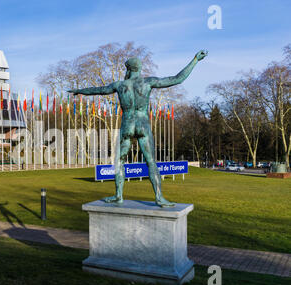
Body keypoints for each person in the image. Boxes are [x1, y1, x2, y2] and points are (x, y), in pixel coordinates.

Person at [69, 50, 208, 207]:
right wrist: (195, 59)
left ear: (128, 70)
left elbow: (98, 90)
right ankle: (159, 197)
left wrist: (79, 91)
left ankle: (119, 195)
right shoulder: (148, 82)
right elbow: (178, 79)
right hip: (142, 124)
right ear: (139, 69)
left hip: (127, 124)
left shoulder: (120, 85)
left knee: (120, 161)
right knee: (151, 162)